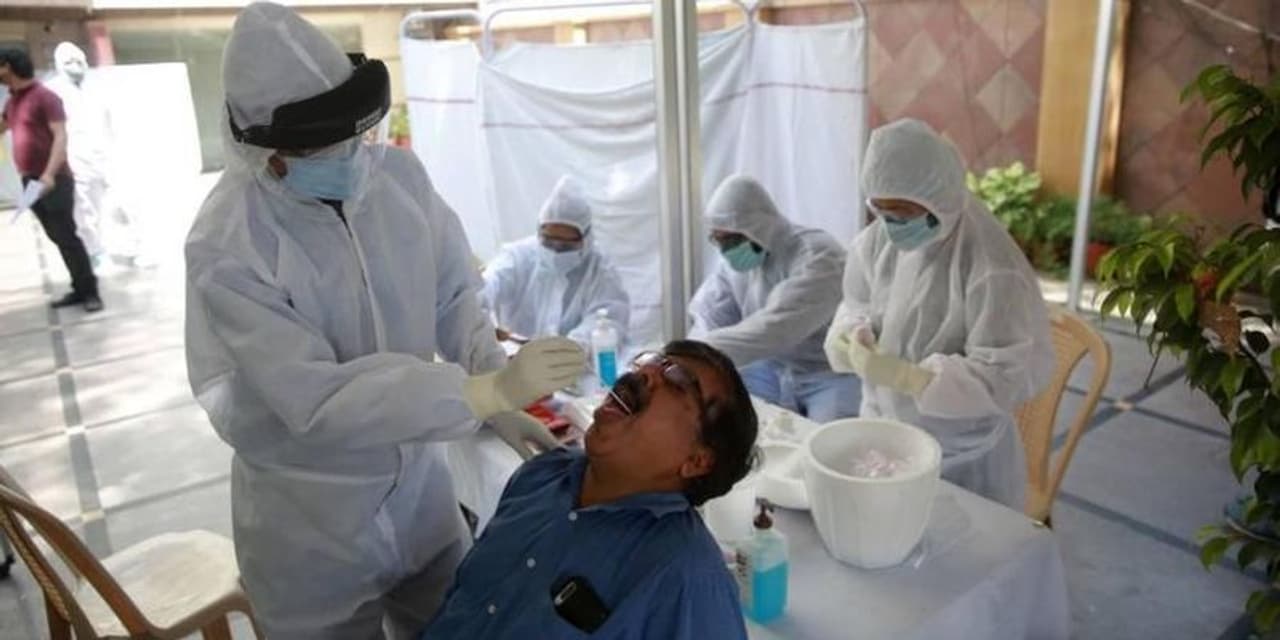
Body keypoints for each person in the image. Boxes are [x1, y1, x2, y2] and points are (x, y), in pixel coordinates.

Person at [184, 4, 585, 638]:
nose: (343, 156)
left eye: (349, 135)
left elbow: (453, 295)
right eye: (317, 146)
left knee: (455, 626)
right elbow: (315, 401)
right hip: (311, 526)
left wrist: (495, 386)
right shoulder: (230, 246)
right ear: (262, 150)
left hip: (421, 494)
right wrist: (477, 395)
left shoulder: (396, 182)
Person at [425, 340, 756, 639]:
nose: (644, 374)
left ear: (696, 461)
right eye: (651, 361)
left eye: (678, 381)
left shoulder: (685, 576)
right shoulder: (540, 476)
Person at [824, 118, 1054, 509]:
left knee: (957, 540)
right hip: (882, 430)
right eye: (882, 212)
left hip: (960, 454)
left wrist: (912, 378)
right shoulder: (876, 242)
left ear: (939, 199)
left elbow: (1004, 375)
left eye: (902, 214)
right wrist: (852, 333)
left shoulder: (992, 268)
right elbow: (856, 302)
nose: (892, 227)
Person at [689, 174, 859, 423]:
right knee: (725, 419)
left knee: (827, 440)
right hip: (771, 368)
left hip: (828, 372)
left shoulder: (819, 256)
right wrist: (689, 355)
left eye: (732, 239)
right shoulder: (733, 266)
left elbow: (775, 329)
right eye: (718, 239)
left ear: (759, 228)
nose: (726, 250)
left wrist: (695, 354)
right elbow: (709, 315)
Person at [0, 48, 101, 312]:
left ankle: (90, 292)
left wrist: (49, 173)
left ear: (8, 67)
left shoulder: (45, 97)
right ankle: (79, 288)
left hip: (53, 179)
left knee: (66, 235)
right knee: (55, 235)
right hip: (30, 181)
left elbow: (60, 136)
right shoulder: (12, 102)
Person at [482, 175, 630, 350]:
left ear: (586, 239)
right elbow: (488, 285)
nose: (556, 252)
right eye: (549, 242)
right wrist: (481, 317)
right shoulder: (517, 257)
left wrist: (567, 349)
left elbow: (609, 322)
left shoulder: (600, 271)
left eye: (566, 246)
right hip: (518, 359)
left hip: (578, 362)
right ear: (539, 232)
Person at [47, 42, 138, 266]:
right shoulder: (51, 92)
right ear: (59, 65)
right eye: (68, 62)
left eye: (78, 60)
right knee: (85, 209)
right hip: (75, 158)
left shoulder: (99, 87)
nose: (75, 65)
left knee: (123, 203)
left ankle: (134, 248)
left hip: (106, 154)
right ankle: (96, 253)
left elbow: (113, 120)